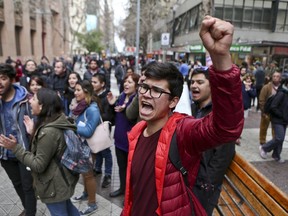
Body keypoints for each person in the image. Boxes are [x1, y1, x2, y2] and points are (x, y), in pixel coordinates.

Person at [120, 16, 244, 215]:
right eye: (144, 87)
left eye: (157, 90)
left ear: (173, 101)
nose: (146, 94)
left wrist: (221, 58)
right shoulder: (137, 131)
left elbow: (226, 129)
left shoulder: (182, 131)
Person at [0, 88, 80, 216]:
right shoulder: (56, 120)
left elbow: (38, 165)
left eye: (34, 99)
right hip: (62, 180)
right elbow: (50, 149)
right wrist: (34, 133)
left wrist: (15, 148)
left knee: (60, 212)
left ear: (42, 106)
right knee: (69, 209)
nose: (30, 101)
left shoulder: (47, 131)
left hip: (54, 186)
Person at [190, 67, 236, 215]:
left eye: (200, 82)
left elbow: (223, 156)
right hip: (190, 177)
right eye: (192, 82)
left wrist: (205, 185)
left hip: (203, 186)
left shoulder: (221, 114)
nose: (194, 86)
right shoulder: (193, 109)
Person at [0, 63, 37, 216]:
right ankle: (28, 208)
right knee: (17, 184)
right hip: (4, 153)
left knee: (28, 186)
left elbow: (37, 126)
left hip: (23, 151)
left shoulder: (26, 99)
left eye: (3, 78)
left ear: (12, 79)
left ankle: (30, 213)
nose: (0, 83)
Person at [107, 73, 140, 198]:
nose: (126, 84)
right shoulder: (121, 97)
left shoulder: (136, 100)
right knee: (121, 167)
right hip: (119, 139)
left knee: (131, 169)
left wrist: (125, 108)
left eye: (130, 82)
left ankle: (131, 193)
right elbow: (114, 117)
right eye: (125, 81)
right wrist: (111, 104)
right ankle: (122, 188)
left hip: (131, 140)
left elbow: (133, 117)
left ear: (136, 86)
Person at [71, 80, 100, 215]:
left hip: (89, 147)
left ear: (86, 92)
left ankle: (92, 203)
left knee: (88, 175)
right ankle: (85, 193)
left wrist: (72, 125)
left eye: (78, 90)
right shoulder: (83, 106)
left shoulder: (92, 109)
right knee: (84, 173)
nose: (75, 92)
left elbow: (88, 131)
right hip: (82, 146)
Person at [91, 73, 114, 188]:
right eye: (92, 82)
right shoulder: (93, 95)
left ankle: (108, 174)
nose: (92, 84)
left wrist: (95, 116)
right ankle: (98, 168)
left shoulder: (106, 96)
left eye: (95, 82)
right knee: (97, 149)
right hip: (95, 127)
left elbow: (108, 116)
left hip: (103, 128)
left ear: (102, 84)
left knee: (106, 151)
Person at [259, 76, 288, 163]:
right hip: (277, 119)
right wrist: (282, 115)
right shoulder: (282, 93)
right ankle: (264, 148)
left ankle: (276, 155)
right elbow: (273, 106)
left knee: (281, 138)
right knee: (279, 138)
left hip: (284, 120)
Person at [258, 71, 282, 145]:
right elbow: (261, 100)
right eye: (274, 76)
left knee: (275, 129)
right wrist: (263, 111)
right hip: (267, 112)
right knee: (263, 127)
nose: (275, 78)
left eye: (277, 76)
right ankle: (262, 142)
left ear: (280, 78)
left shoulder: (282, 88)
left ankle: (274, 142)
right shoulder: (266, 87)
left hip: (276, 113)